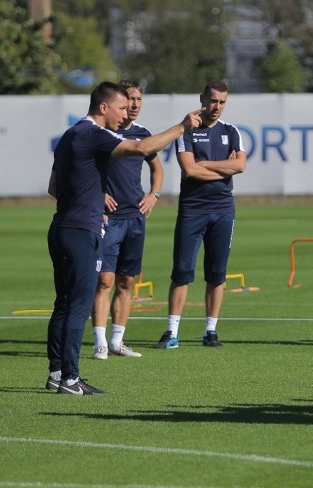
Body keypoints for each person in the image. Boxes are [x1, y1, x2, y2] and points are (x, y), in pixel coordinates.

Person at [46, 81, 200, 395]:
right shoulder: (94, 133)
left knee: (62, 305)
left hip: (61, 227)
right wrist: (182, 127)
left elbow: (54, 187)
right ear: (103, 107)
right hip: (80, 232)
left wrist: (86, 199)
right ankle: (71, 380)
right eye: (120, 107)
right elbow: (143, 148)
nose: (125, 112)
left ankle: (56, 372)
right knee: (77, 307)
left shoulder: (69, 135)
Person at [155, 80, 246, 349]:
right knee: (182, 272)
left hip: (223, 210)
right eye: (213, 100)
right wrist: (223, 168)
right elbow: (190, 171)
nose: (217, 107)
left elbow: (240, 165)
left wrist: (207, 163)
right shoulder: (187, 131)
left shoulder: (231, 131)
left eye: (222, 102)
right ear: (202, 98)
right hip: (192, 211)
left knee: (217, 273)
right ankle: (172, 331)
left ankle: (211, 331)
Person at [91, 81, 162, 360]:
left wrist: (154, 194)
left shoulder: (143, 135)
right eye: (129, 99)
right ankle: (99, 342)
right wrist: (98, 194)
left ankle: (117, 341)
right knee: (105, 280)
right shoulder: (100, 133)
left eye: (139, 99)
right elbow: (82, 169)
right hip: (109, 219)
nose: (134, 104)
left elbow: (157, 168)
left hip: (135, 216)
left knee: (126, 282)